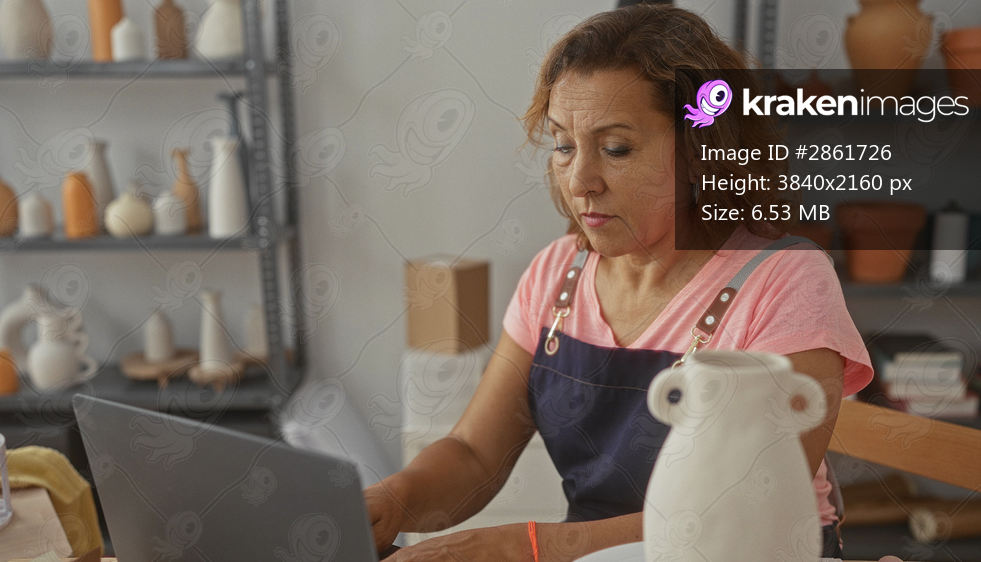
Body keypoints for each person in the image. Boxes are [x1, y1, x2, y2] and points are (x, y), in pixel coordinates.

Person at [365, 5, 874, 561]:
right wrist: (392, 499)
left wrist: (525, 548)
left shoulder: (786, 281)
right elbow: (473, 454)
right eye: (563, 145)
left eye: (616, 149)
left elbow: (743, 511)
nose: (580, 181)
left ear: (699, 152)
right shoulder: (556, 274)